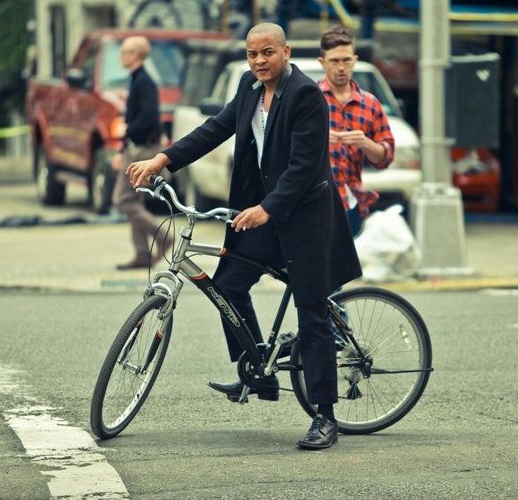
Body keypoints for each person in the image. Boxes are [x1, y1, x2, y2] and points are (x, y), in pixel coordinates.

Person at [125, 22, 362, 450]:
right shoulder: (249, 87)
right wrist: (162, 159)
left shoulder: (305, 94)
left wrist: (267, 208)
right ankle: (258, 370)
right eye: (253, 54)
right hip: (263, 214)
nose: (258, 61)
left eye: (267, 53)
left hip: (305, 217)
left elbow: (305, 166)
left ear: (286, 51)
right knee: (229, 284)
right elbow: (215, 128)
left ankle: (325, 417)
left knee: (311, 312)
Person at [318, 26, 395, 236]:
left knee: (344, 268)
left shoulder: (370, 104)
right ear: (322, 63)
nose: (341, 67)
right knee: (315, 267)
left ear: (355, 60)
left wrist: (365, 143)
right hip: (313, 202)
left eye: (346, 60)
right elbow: (283, 146)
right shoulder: (308, 99)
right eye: (334, 61)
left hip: (352, 204)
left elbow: (385, 158)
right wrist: (318, 141)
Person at [113, 36, 166, 270]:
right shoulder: (135, 79)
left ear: (135, 55)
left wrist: (127, 130)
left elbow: (148, 117)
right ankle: (142, 253)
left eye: (125, 52)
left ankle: (163, 236)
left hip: (143, 149)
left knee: (123, 199)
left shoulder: (144, 82)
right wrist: (122, 147)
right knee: (135, 201)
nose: (121, 57)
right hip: (135, 147)